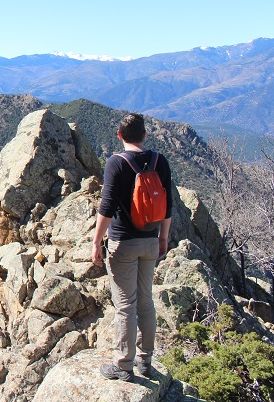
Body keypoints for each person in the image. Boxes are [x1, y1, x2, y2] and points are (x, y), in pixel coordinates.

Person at [91, 112, 172, 381]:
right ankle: (146, 361)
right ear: (145, 135)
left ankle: (123, 365)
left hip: (123, 243)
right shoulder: (160, 162)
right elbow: (168, 206)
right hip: (150, 241)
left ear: (119, 135)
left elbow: (107, 206)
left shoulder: (116, 162)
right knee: (146, 302)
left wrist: (96, 242)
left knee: (126, 305)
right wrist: (163, 239)